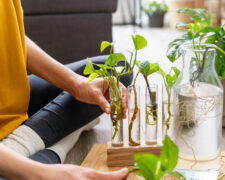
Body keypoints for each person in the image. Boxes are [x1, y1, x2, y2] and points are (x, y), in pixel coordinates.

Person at [0, 1, 132, 179]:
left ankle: (19, 147)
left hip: (12, 93)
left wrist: (78, 84)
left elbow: (12, 36)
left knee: (115, 69)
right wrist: (40, 174)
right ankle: (33, 148)